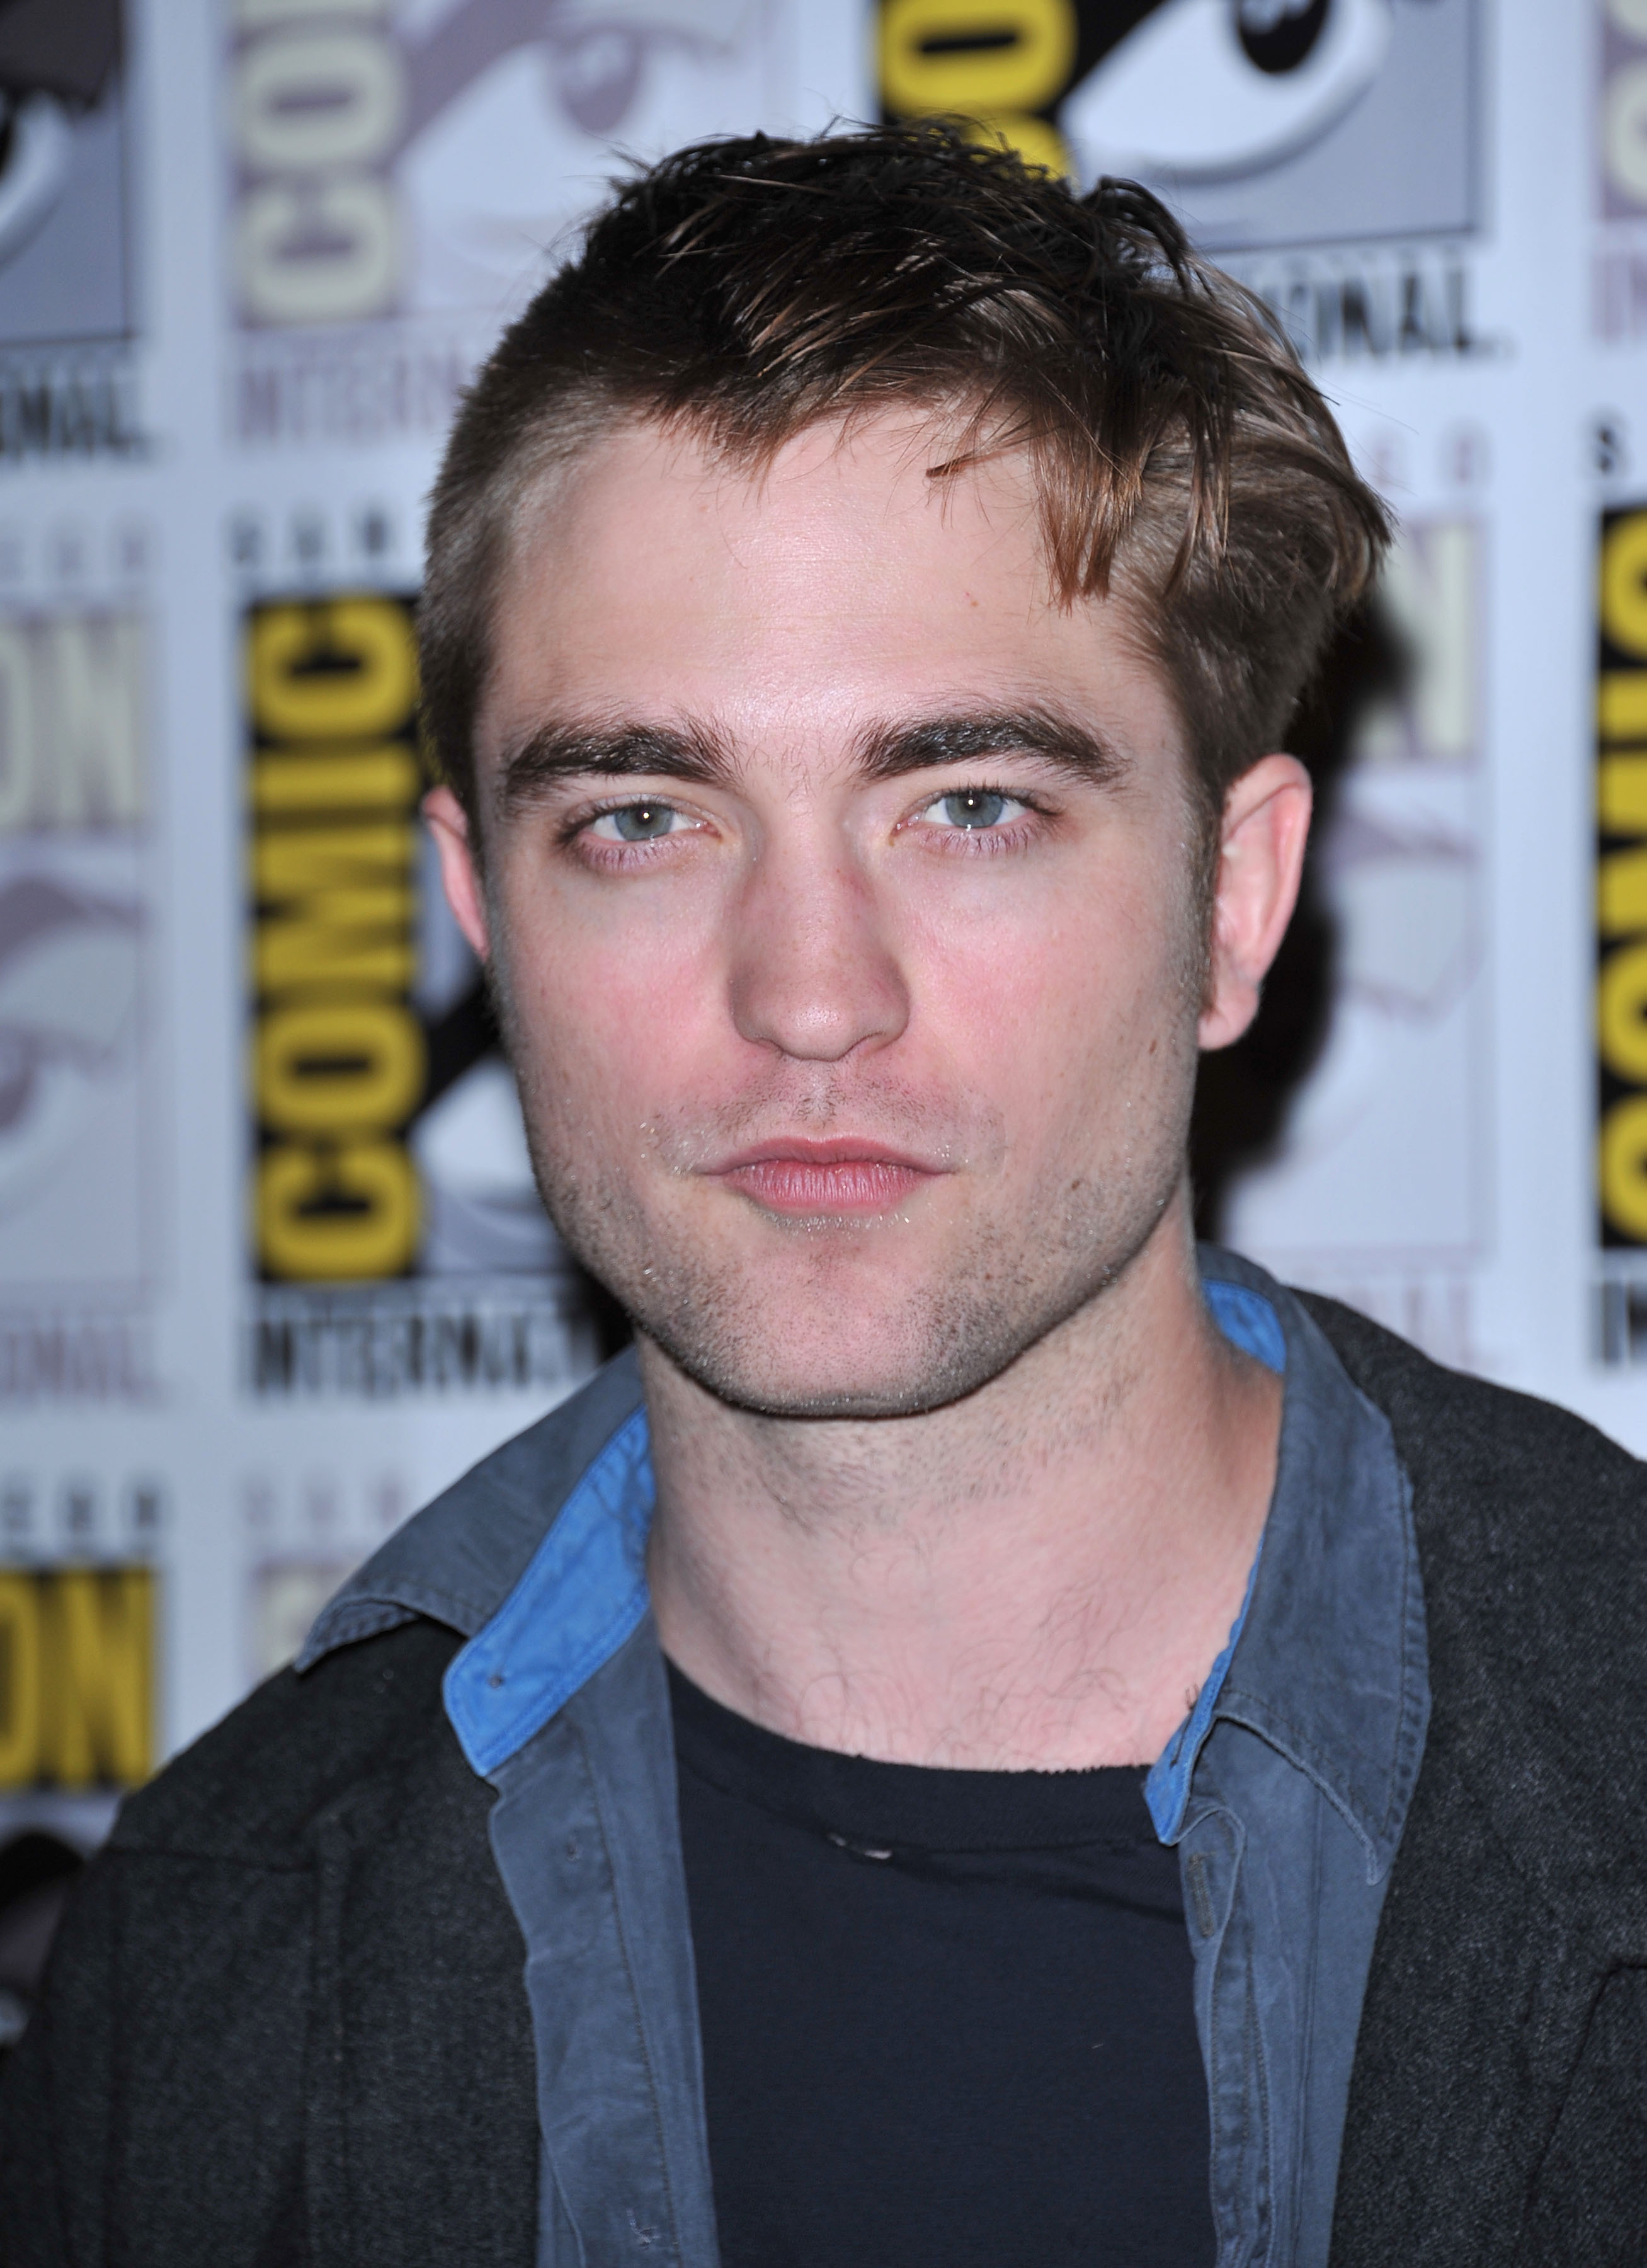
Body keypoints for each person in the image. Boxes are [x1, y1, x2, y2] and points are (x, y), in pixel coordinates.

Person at [4, 125, 1644, 2268]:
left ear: (1233, 899)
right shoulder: (200, 1970)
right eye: (641, 819)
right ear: (476, 907)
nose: (807, 998)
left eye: (969, 805)